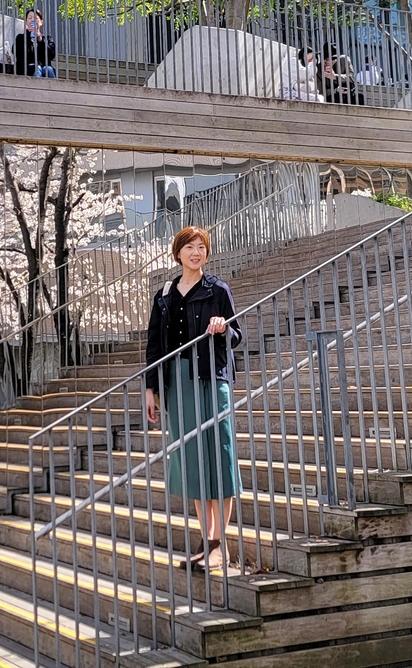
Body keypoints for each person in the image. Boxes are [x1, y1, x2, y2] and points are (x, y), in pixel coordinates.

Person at [145, 226, 242, 571]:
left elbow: (237, 333)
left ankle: (220, 543)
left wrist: (223, 326)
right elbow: (155, 345)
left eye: (201, 247)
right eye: (190, 247)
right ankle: (207, 540)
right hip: (178, 382)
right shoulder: (165, 295)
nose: (196, 252)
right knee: (193, 460)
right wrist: (151, 389)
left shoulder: (218, 290)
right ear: (178, 253)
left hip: (211, 377)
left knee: (220, 455)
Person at [13, 9, 56, 78]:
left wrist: (40, 40)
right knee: (37, 68)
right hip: (27, 69)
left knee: (48, 69)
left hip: (44, 68)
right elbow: (16, 52)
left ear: (41, 22)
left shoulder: (48, 38)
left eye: (36, 18)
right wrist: (27, 36)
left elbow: (51, 55)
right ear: (26, 22)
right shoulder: (20, 37)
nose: (32, 20)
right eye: (30, 18)